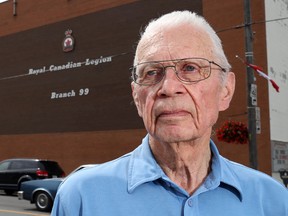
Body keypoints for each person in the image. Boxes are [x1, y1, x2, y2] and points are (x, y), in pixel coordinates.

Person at [51, 11, 288, 216]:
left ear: (225, 91)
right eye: (152, 72)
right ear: (137, 97)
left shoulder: (273, 201)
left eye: (190, 68)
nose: (168, 87)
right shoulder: (81, 197)